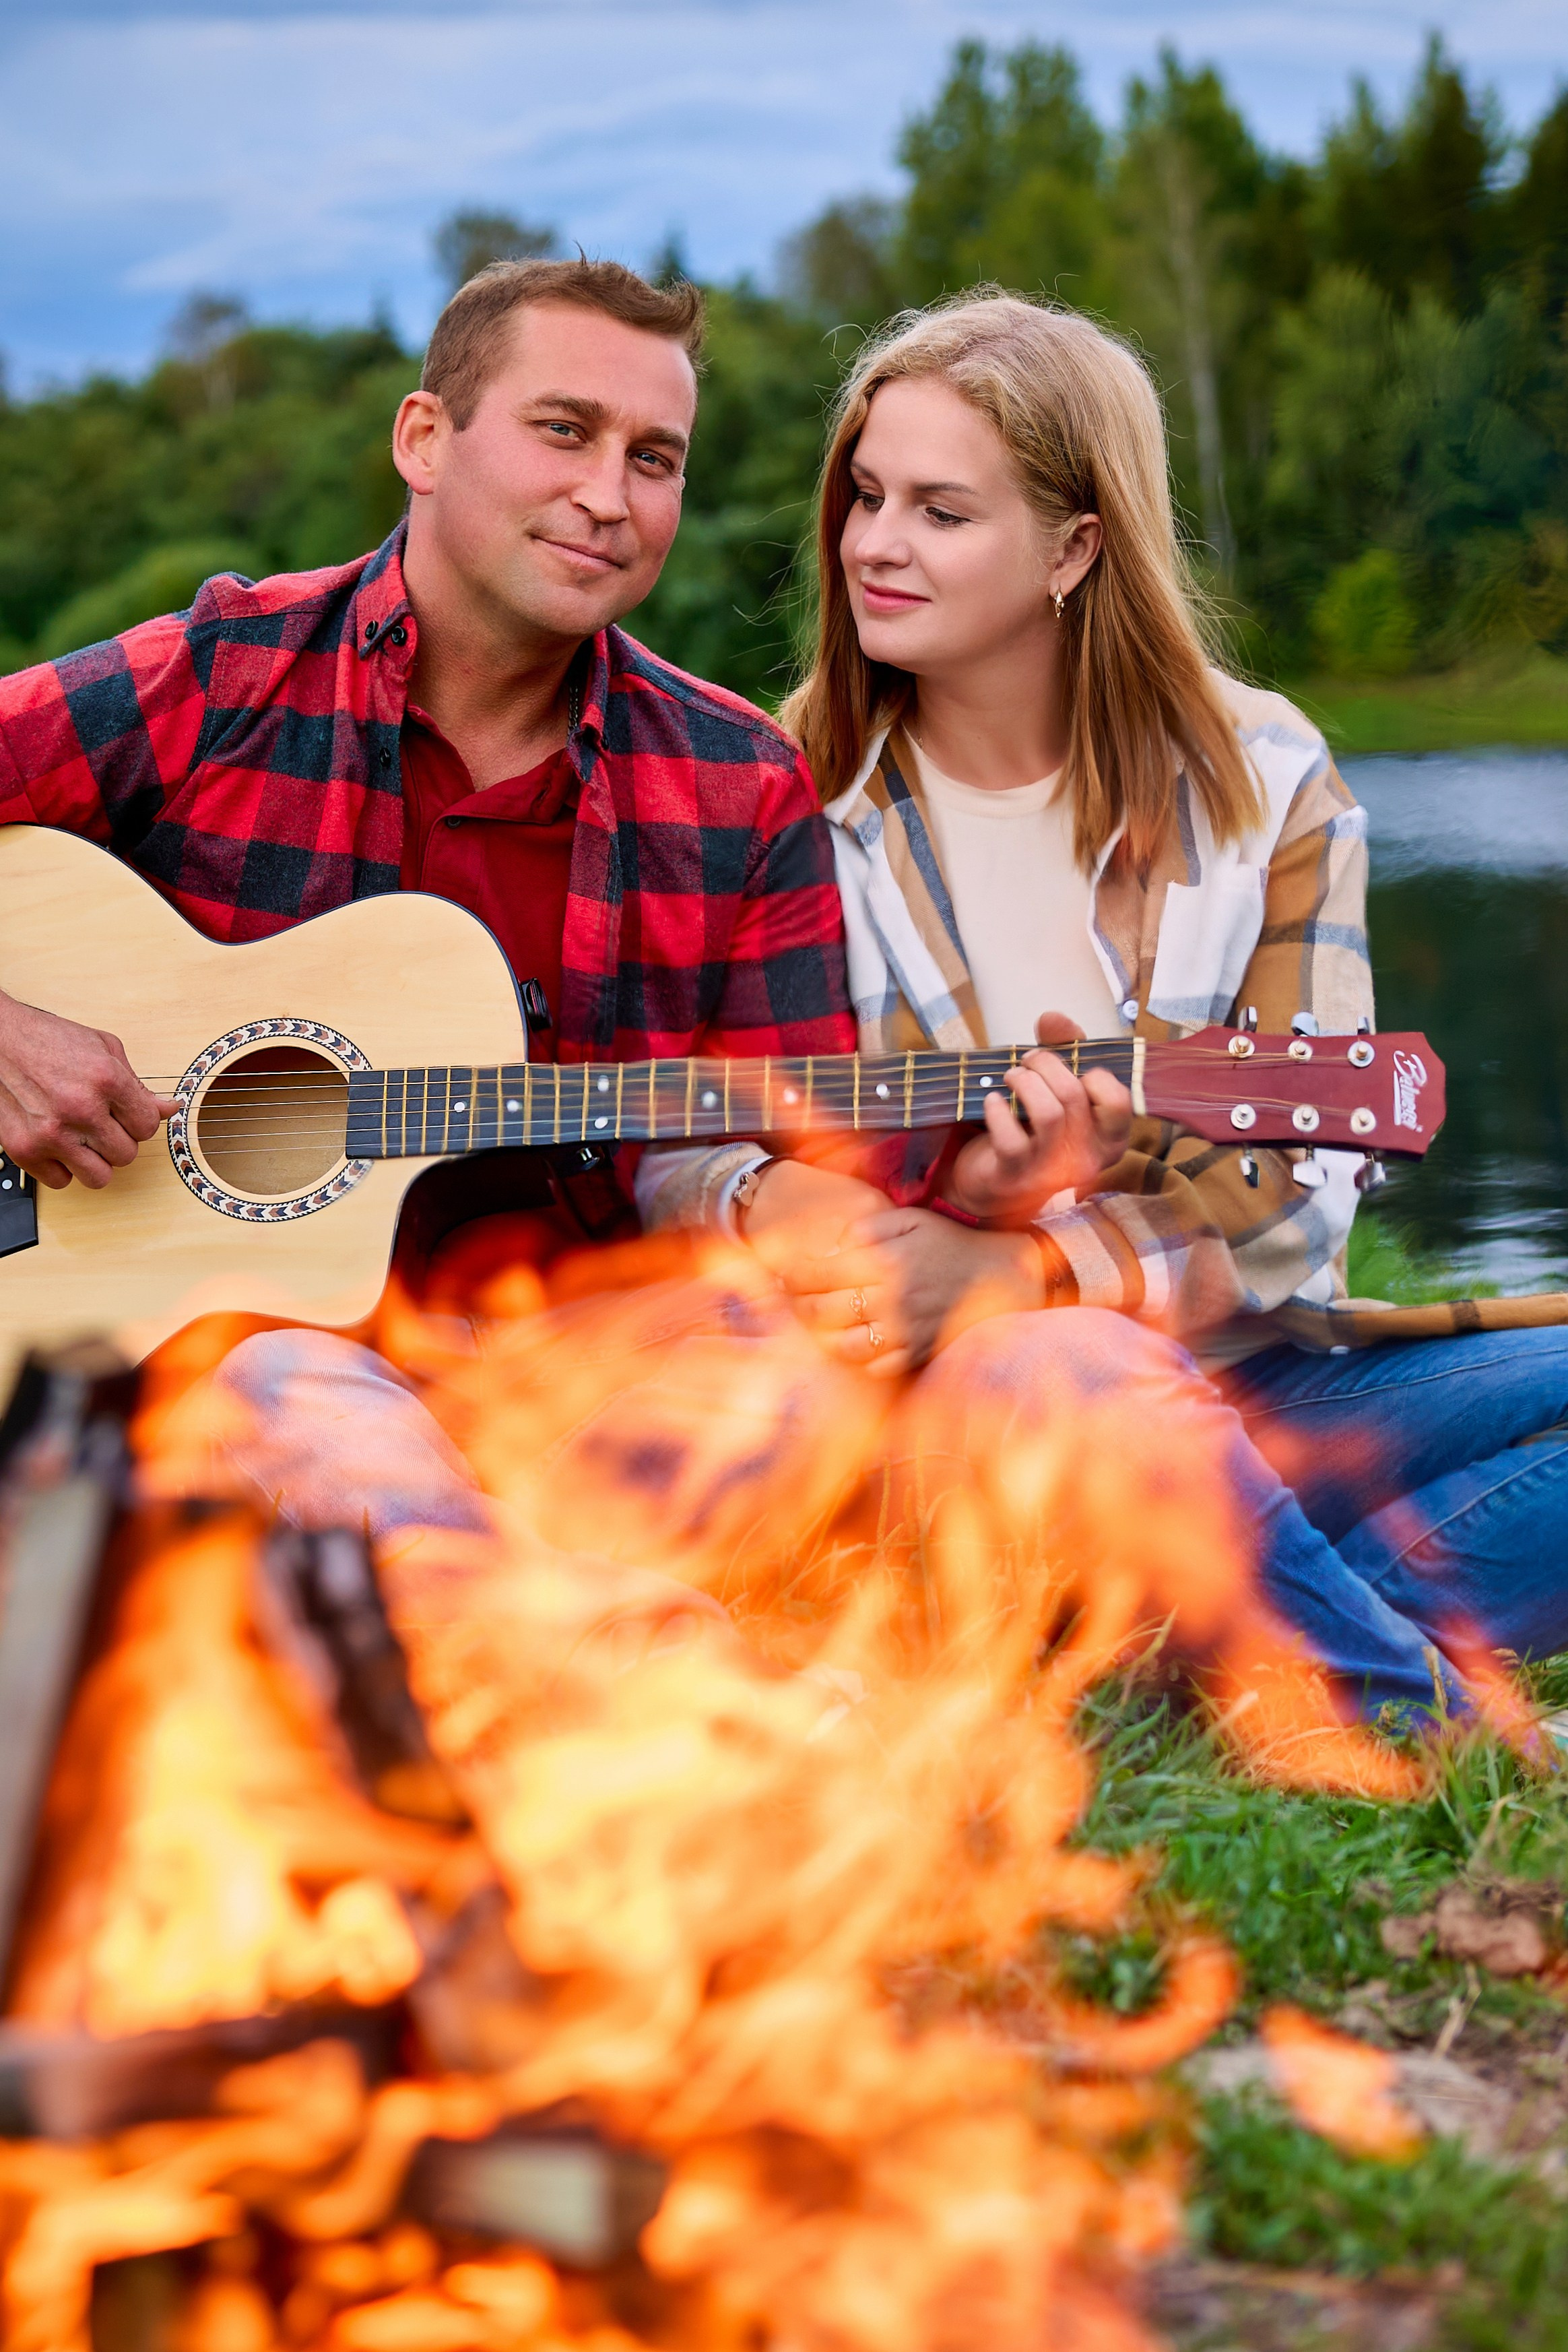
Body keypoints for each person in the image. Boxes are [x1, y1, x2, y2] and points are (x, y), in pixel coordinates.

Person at [733, 288, 1568, 1718]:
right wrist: (973, 1218)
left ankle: (1203, 1635)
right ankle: (1387, 1701)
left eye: (941, 510)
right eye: (866, 496)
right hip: (973, 1415)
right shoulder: (783, 795)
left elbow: (1301, 1197)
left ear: (1075, 547)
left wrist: (1035, 1261)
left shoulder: (1265, 777)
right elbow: (737, 1166)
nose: (874, 542)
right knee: (1071, 1366)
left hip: (1267, 1387)